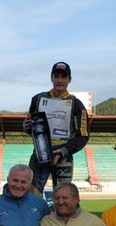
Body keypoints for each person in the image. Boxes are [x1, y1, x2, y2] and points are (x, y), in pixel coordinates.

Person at [23, 62, 89, 194]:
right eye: (56, 76)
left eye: (63, 77)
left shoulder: (77, 105)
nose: (59, 80)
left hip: (64, 157)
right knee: (31, 196)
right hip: (39, 155)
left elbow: (83, 136)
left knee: (63, 197)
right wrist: (26, 126)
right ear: (51, 78)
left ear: (69, 79)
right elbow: (31, 125)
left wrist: (63, 151)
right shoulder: (37, 99)